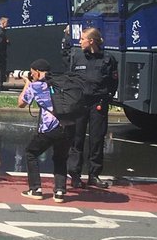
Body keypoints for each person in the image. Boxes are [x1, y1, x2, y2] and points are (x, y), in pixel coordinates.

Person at [65, 27, 119, 189]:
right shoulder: (76, 56)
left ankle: (94, 175)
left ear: (91, 41)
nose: (80, 41)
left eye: (82, 39)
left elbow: (113, 82)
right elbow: (70, 79)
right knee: (77, 139)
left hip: (98, 103)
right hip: (80, 102)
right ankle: (75, 175)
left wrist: (107, 97)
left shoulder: (108, 59)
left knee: (97, 139)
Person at [17, 58, 72, 203]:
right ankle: (59, 192)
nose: (31, 75)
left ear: (36, 72)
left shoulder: (36, 86)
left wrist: (27, 83)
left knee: (31, 153)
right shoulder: (60, 83)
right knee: (60, 158)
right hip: (67, 126)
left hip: (49, 128)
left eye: (32, 72)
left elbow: (21, 103)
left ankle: (35, 189)